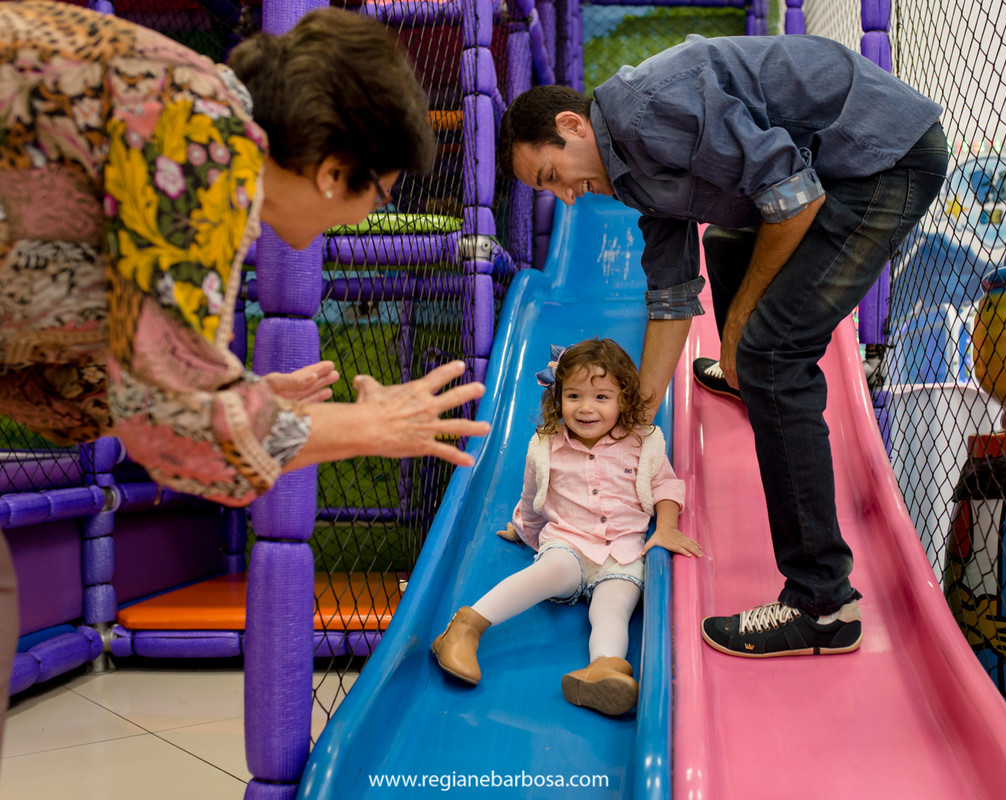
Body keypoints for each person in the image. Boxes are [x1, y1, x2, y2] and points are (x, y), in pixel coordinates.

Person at [0, 0, 489, 741]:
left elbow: (117, 378)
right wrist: (363, 425)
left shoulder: (184, 116)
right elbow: (172, 422)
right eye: (378, 193)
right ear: (332, 170)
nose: (361, 220)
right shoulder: (202, 129)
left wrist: (242, 395)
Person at [498, 34, 949, 658]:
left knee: (770, 354)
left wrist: (737, 328)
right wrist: (629, 418)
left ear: (572, 125)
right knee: (729, 244)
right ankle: (748, 378)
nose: (567, 195)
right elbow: (671, 294)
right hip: (838, 162)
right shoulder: (629, 171)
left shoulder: (644, 111)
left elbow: (793, 198)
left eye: (554, 175)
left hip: (880, 158)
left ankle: (823, 606)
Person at [431, 338, 701, 715]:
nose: (586, 408)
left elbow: (666, 484)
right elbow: (533, 498)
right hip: (569, 543)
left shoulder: (643, 442)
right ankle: (466, 626)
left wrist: (666, 526)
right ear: (558, 399)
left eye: (601, 397)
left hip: (623, 553)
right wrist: (522, 529)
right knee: (544, 573)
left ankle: (602, 668)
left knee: (613, 608)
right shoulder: (546, 447)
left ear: (624, 399)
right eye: (574, 396)